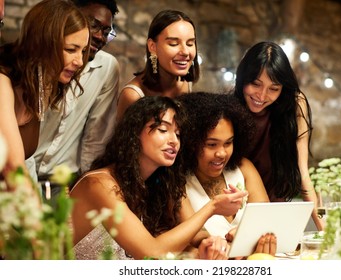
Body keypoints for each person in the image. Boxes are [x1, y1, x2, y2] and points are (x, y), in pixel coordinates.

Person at [70, 96, 248, 260]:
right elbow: (151, 253)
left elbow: (187, 240)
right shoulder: (99, 185)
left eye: (178, 134)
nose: (174, 141)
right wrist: (213, 207)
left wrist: (206, 249)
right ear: (134, 134)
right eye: (163, 130)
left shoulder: (156, 183)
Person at [29, 0, 120, 197]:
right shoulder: (35, 65)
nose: (99, 37)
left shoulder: (107, 68)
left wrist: (84, 190)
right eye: (93, 24)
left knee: (100, 229)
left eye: (106, 32)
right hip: (20, 176)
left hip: (62, 182)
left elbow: (96, 139)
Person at [232, 41, 322, 230]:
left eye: (274, 88)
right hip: (237, 213)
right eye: (256, 84)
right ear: (243, 79)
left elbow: (302, 172)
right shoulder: (229, 109)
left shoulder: (294, 105)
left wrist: (323, 228)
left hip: (277, 209)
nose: (262, 95)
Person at [0, 0, 90, 180]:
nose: (79, 61)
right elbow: (13, 168)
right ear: (42, 43)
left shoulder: (45, 82)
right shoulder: (3, 82)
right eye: (71, 49)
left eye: (83, 51)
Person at [178, 92, 276, 257]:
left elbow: (266, 219)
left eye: (228, 143)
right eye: (212, 144)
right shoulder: (177, 181)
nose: (221, 153)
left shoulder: (244, 168)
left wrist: (246, 236)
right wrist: (239, 242)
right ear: (191, 143)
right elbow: (197, 237)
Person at [116, 9, 200, 121]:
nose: (185, 52)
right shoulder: (133, 95)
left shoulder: (186, 83)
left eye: (190, 44)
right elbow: (122, 138)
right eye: (173, 44)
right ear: (152, 46)